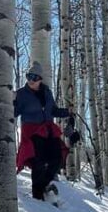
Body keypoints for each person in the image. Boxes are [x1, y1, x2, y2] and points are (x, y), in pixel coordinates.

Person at [14, 61, 70, 203]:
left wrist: (67, 112)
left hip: (48, 130)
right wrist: (10, 102)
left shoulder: (47, 92)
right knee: (37, 162)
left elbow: (53, 110)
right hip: (32, 132)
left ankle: (44, 185)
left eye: (34, 77)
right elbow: (14, 112)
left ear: (40, 79)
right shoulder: (21, 94)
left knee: (57, 159)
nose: (31, 80)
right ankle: (37, 197)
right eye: (28, 76)